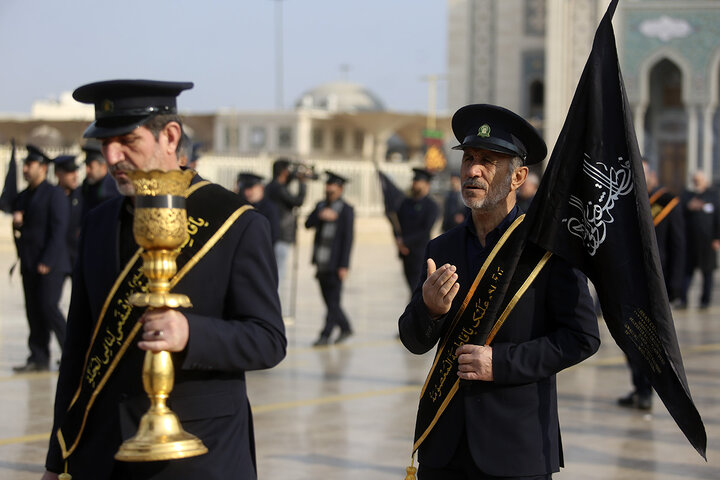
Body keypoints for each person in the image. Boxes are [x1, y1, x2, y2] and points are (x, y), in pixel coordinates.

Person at [42, 80, 286, 480]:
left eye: (126, 140)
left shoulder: (236, 223)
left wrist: (191, 333)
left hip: (198, 455)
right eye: (104, 142)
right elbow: (78, 351)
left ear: (170, 136)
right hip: (103, 453)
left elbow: (268, 340)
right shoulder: (98, 223)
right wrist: (58, 459)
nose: (111, 155)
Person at [398, 104, 600, 479]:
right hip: (443, 448)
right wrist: (430, 309)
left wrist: (500, 363)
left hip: (515, 450)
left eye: (489, 161)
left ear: (518, 176)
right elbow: (413, 340)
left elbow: (582, 338)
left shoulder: (548, 252)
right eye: (469, 158)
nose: (473, 170)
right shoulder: (441, 248)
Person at [617, 160, 685, 411]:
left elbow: (678, 247)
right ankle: (638, 387)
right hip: (627, 283)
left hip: (657, 285)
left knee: (647, 342)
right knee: (629, 340)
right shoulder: (626, 200)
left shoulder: (666, 202)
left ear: (653, 175)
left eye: (643, 173)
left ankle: (646, 391)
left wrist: (676, 284)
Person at [12, 145, 70, 373]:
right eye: (25, 165)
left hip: (51, 263)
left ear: (43, 168)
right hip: (29, 262)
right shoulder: (25, 196)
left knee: (49, 307)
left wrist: (47, 259)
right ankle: (38, 355)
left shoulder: (54, 194)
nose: (25, 169)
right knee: (33, 309)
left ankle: (70, 353)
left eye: (30, 165)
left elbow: (59, 229)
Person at [305, 171, 355, 346]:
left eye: (332, 186)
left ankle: (325, 335)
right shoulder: (320, 206)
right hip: (321, 262)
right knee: (330, 301)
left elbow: (348, 240)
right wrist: (320, 215)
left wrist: (344, 265)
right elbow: (307, 224)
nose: (328, 189)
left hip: (335, 264)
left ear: (340, 189)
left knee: (333, 301)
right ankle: (346, 327)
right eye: (327, 186)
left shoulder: (347, 210)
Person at [679, 171, 720, 309]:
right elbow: (680, 214)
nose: (697, 182)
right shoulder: (687, 195)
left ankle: (705, 301)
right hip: (691, 242)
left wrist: (717, 238)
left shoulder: (713, 195)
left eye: (699, 180)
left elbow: (718, 218)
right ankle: (683, 299)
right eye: (695, 180)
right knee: (687, 272)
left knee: (707, 273)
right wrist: (689, 207)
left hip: (708, 242)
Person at [396, 168, 439, 295]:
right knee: (411, 287)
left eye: (418, 181)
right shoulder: (405, 203)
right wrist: (399, 242)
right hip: (405, 253)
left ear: (427, 185)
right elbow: (397, 224)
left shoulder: (431, 206)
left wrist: (405, 242)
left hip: (420, 253)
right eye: (414, 181)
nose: (414, 184)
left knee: (417, 289)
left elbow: (425, 230)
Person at [52, 155, 83, 269]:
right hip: (57, 259)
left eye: (76, 171)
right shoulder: (52, 197)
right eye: (70, 172)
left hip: (77, 255)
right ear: (58, 174)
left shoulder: (82, 195)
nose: (75, 176)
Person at [80, 141, 120, 219]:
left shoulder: (114, 187)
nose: (87, 170)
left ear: (103, 166)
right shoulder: (87, 184)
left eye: (91, 167)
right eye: (86, 166)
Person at [236, 172, 279, 244]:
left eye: (251, 188)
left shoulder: (269, 208)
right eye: (244, 189)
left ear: (261, 188)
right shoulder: (241, 207)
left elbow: (273, 235)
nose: (247, 192)